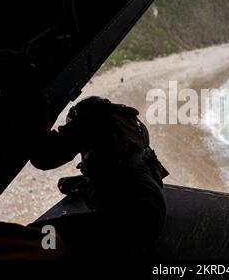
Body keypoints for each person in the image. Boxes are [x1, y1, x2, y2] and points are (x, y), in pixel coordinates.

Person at [29, 96, 169, 259]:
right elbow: (124, 175)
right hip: (153, 216)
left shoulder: (91, 119)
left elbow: (43, 157)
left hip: (121, 228)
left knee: (35, 237)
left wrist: (37, 111)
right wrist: (82, 184)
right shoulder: (132, 125)